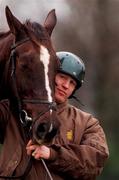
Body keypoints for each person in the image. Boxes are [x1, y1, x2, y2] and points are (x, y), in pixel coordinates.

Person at [26, 51, 109, 180]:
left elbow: (96, 160)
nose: (66, 86)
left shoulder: (87, 123)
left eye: (72, 83)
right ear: (49, 73)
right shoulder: (17, 108)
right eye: (62, 77)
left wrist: (53, 154)